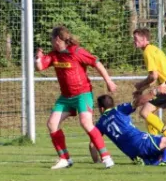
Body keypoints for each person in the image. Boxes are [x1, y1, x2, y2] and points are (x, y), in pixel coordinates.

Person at [36, 25, 117, 169]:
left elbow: (96, 63)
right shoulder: (54, 54)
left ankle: (106, 156)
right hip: (65, 97)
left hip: (82, 95)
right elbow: (40, 67)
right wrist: (38, 58)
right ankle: (64, 158)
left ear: (58, 39)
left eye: (51, 39)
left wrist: (109, 80)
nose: (51, 43)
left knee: (86, 123)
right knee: (52, 124)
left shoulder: (76, 51)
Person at [91, 85, 166, 166]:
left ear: (101, 109)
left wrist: (96, 161)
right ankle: (164, 162)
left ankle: (148, 161)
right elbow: (138, 102)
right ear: (112, 104)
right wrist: (154, 91)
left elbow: (92, 144)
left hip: (131, 153)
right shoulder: (119, 109)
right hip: (140, 141)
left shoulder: (100, 123)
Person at [132, 28, 166, 140]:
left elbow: (153, 76)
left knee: (144, 112)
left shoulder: (147, 51)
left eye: (136, 39)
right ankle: (154, 141)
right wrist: (141, 89)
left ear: (144, 39)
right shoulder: (153, 49)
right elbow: (154, 78)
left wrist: (140, 85)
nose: (134, 41)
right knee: (148, 114)